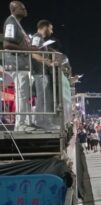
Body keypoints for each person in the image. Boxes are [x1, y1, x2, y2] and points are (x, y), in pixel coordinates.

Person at [4, 1, 35, 131]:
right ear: (13, 9)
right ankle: (21, 124)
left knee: (25, 96)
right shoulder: (11, 21)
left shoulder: (17, 23)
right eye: (22, 7)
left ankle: (26, 122)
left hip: (23, 65)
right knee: (22, 95)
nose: (25, 9)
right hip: (17, 65)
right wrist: (27, 50)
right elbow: (6, 43)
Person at [31, 19, 56, 129]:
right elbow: (33, 53)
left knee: (45, 98)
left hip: (42, 72)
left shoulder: (41, 39)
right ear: (45, 27)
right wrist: (48, 62)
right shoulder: (37, 37)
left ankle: (44, 122)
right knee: (42, 98)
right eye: (51, 28)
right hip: (39, 72)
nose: (52, 31)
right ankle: (39, 122)